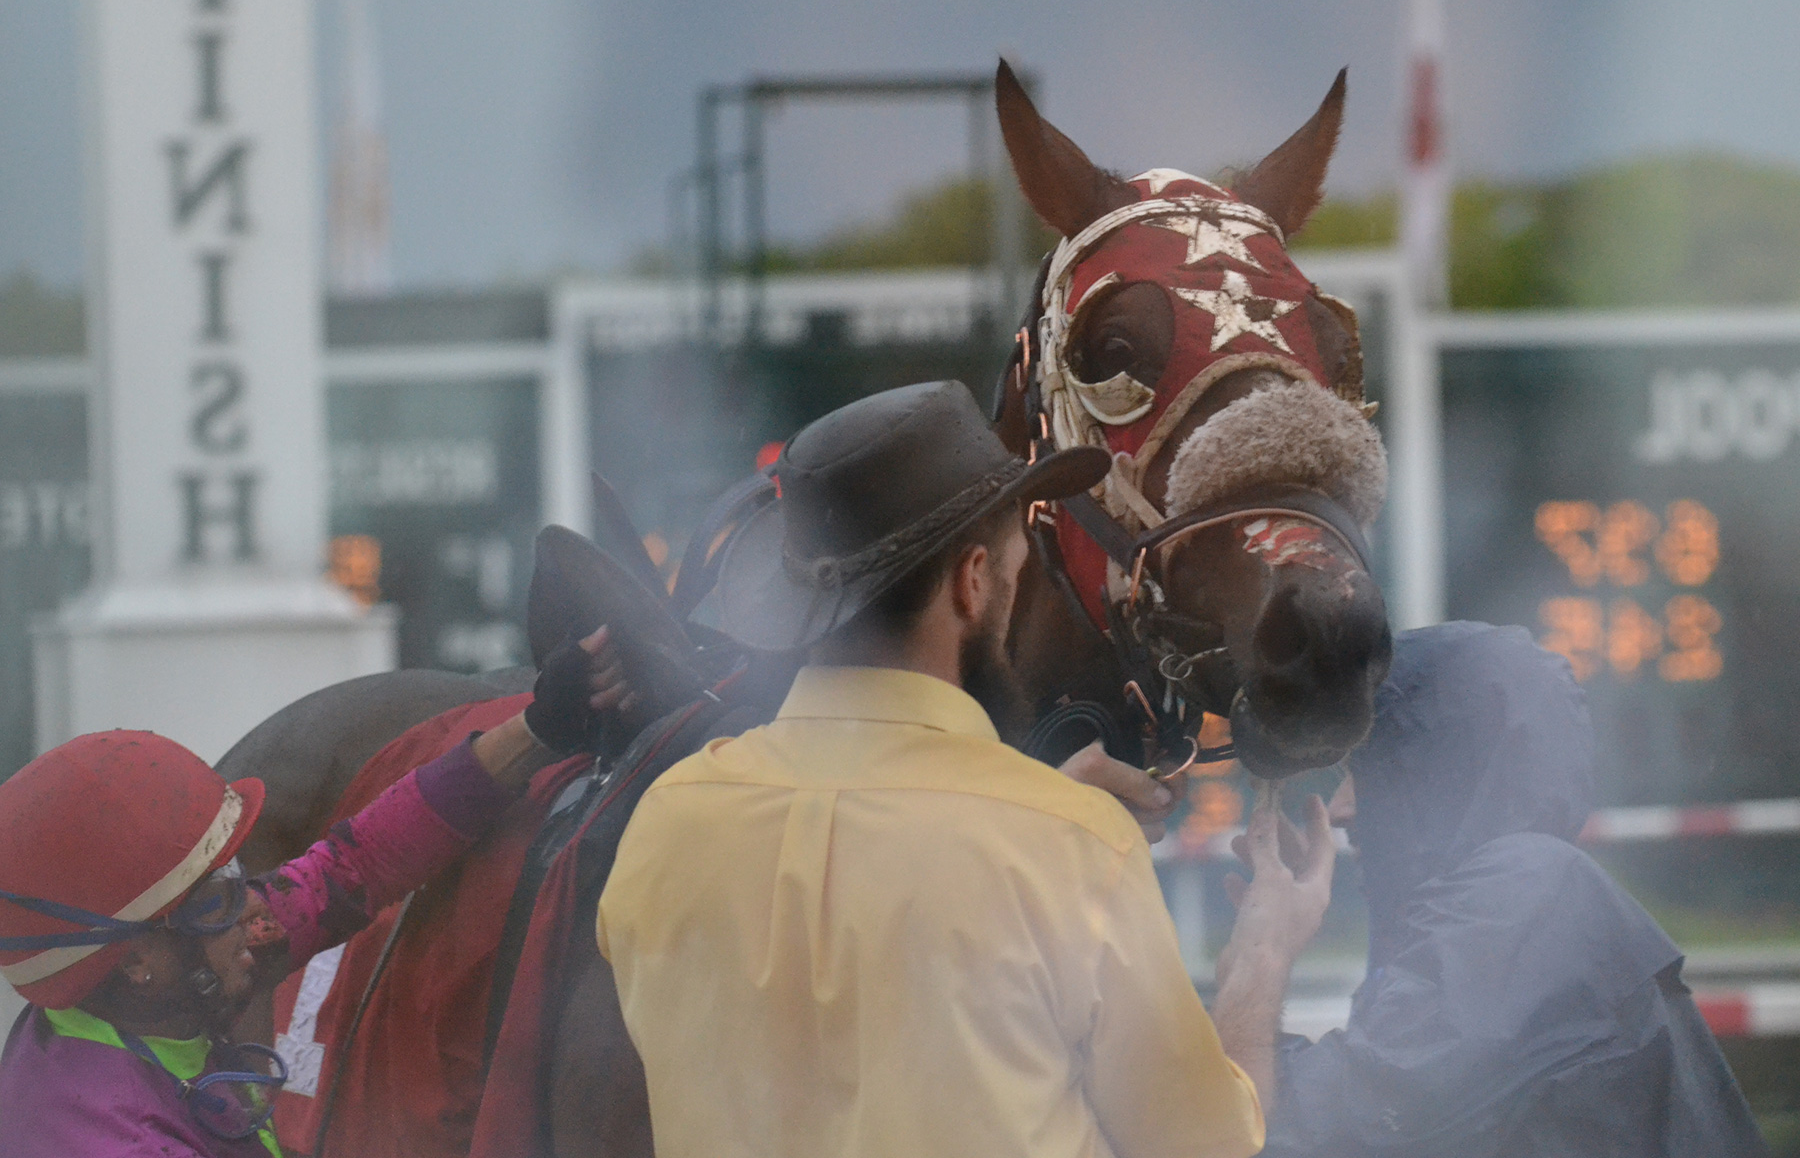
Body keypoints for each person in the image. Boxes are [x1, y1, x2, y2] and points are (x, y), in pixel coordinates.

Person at [596, 380, 1336, 1158]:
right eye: (1017, 570)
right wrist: (1262, 953)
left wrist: (1039, 822)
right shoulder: (1067, 847)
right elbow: (1203, 1145)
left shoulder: (665, 820)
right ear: (973, 579)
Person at [0, 625, 632, 1158]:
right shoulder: (105, 1138)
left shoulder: (157, 980)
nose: (253, 907)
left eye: (235, 877)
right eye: (216, 900)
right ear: (136, 961)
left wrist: (537, 726)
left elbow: (355, 864)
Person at [1251, 621, 1769, 1157]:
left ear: (1443, 767)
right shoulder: (1504, 905)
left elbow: (1297, 1135)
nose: (1339, 810)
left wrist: (1260, 960)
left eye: (1370, 766)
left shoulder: (1521, 902)